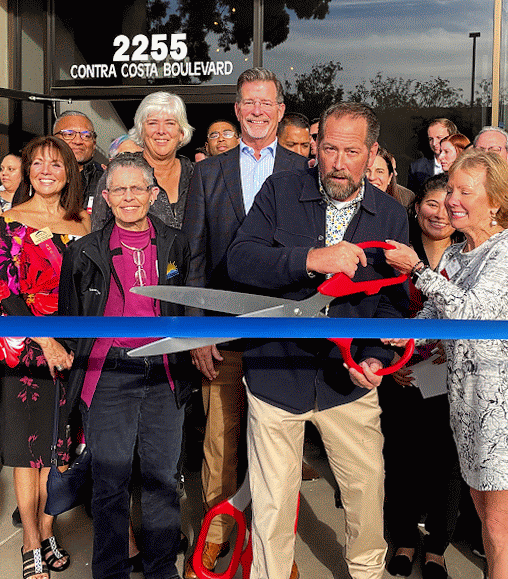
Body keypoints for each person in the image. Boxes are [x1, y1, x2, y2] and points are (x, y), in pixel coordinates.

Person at [227, 101, 411, 579]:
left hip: (347, 385)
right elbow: (241, 260)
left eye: (352, 151)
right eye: (329, 148)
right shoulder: (280, 191)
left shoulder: (390, 216)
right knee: (271, 508)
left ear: (371, 153)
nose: (339, 162)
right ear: (315, 146)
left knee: (366, 496)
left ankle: (366, 574)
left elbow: (392, 306)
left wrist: (371, 358)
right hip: (275, 375)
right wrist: (311, 258)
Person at [384, 150, 508, 579]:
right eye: (449, 191)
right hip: (469, 401)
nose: (451, 201)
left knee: (500, 529)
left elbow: (471, 312)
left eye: (465, 192)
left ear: (494, 201)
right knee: (488, 523)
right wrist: (402, 336)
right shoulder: (458, 256)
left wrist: (418, 271)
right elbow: (437, 317)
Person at [180, 68, 307, 579]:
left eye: (266, 103)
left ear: (279, 111)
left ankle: (275, 555)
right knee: (221, 446)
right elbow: (193, 257)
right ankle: (215, 539)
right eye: (247, 102)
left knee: (281, 453)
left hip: (286, 334)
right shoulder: (207, 173)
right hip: (223, 331)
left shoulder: (304, 169)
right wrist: (196, 331)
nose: (257, 111)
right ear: (236, 110)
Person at [58, 155, 192, 579]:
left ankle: (161, 569)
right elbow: (70, 318)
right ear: (106, 197)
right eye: (120, 189)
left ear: (154, 195)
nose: (129, 197)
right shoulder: (83, 251)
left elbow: (188, 304)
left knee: (162, 478)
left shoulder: (177, 244)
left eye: (138, 189)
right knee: (110, 483)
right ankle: (111, 571)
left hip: (164, 373)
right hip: (109, 373)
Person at [0, 136, 90, 579]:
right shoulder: (10, 220)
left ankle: (49, 528)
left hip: (77, 351)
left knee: (61, 449)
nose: (46, 171)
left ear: (70, 171)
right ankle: (30, 538)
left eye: (56, 164)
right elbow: (7, 292)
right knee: (27, 450)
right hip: (26, 350)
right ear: (27, 171)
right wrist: (46, 340)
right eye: (38, 164)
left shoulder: (83, 222)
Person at [379, 172, 461, 579]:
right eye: (432, 203)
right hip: (402, 377)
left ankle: (438, 548)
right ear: (416, 207)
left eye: (449, 204)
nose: (441, 212)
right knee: (401, 460)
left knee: (447, 464)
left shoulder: (468, 257)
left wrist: (457, 347)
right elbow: (378, 310)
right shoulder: (396, 255)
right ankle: (405, 540)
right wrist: (389, 363)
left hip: (452, 380)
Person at [92, 91, 194, 230]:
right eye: (153, 123)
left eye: (170, 123)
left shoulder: (198, 174)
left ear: (181, 133)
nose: (161, 131)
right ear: (141, 131)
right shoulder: (118, 172)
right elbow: (99, 231)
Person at [52, 110, 104, 210]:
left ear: (94, 144)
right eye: (69, 134)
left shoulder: (106, 179)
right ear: (53, 140)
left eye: (86, 135)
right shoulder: (40, 178)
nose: (78, 141)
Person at [409, 117, 456, 194]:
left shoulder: (463, 165)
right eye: (431, 139)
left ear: (452, 137)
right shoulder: (417, 167)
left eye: (439, 138)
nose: (434, 143)